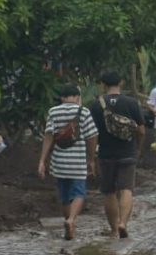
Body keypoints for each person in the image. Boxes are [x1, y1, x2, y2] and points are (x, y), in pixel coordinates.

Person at [38, 84, 98, 241]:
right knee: (79, 193)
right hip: (77, 160)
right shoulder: (83, 112)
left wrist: (42, 161)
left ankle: (70, 227)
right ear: (78, 97)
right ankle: (71, 220)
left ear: (62, 97)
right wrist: (91, 159)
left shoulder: (53, 111)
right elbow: (92, 136)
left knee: (65, 195)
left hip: (59, 161)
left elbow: (49, 136)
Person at [90, 71, 145, 239]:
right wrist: (138, 148)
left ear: (103, 85)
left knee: (109, 191)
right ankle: (123, 223)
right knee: (126, 189)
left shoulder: (96, 105)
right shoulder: (132, 103)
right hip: (127, 152)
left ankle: (114, 229)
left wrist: (91, 157)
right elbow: (141, 130)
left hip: (106, 153)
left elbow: (93, 134)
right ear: (121, 82)